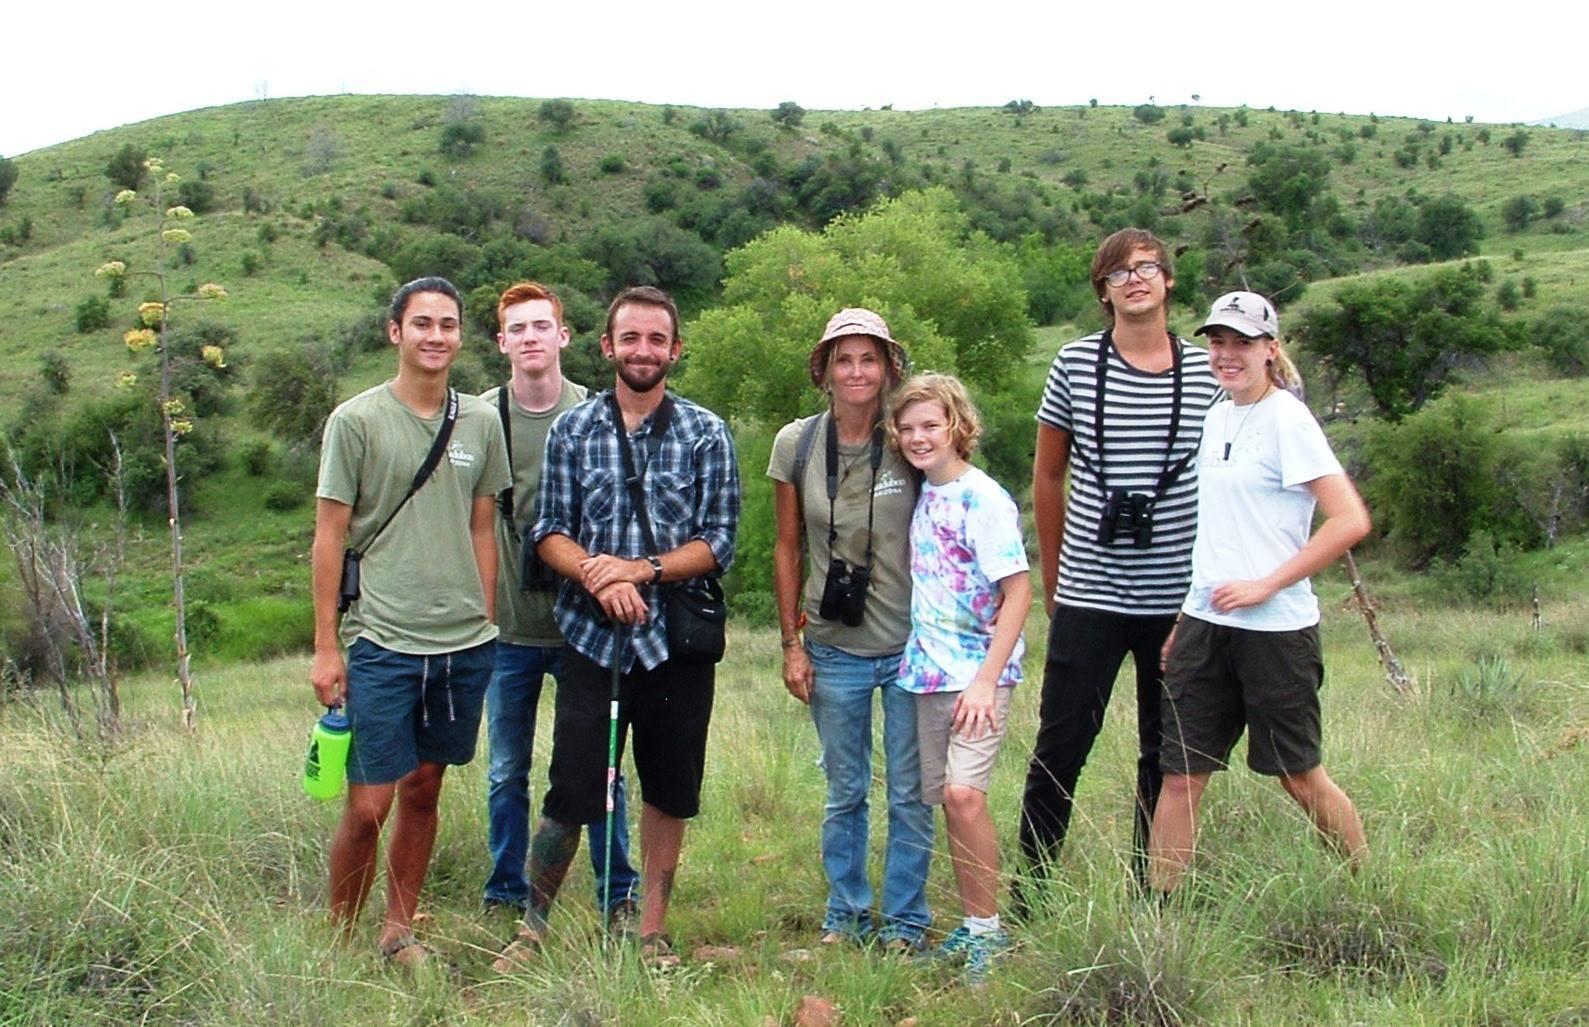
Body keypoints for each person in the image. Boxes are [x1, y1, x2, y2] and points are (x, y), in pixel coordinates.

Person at [495, 286, 740, 970]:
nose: (642, 350)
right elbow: (546, 531)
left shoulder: (705, 431)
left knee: (669, 788)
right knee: (570, 787)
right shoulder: (574, 430)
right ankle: (533, 926)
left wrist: (641, 570)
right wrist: (599, 575)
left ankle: (651, 929)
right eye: (629, 338)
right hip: (590, 641)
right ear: (606, 346)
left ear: (674, 349)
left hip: (677, 645)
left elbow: (719, 540)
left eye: (656, 339)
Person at [1016, 229, 1221, 905]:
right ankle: (1031, 896)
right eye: (1117, 272)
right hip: (1089, 591)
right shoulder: (1074, 364)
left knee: (1164, 758)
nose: (1134, 280)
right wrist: (1053, 575)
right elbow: (1048, 475)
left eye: (1146, 267)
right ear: (1102, 290)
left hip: (1178, 600)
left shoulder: (1204, 371)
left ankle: (1152, 901)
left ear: (1167, 280)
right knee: (1059, 747)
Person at [310, 276, 510, 965]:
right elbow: (329, 536)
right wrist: (325, 645)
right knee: (369, 804)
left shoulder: (481, 422)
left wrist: (484, 615)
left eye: (447, 324)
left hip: (462, 642)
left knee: (425, 788)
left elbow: (484, 527)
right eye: (421, 322)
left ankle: (398, 928)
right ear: (395, 331)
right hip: (381, 639)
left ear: (461, 335)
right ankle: (337, 941)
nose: (435, 335)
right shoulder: (356, 421)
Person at [1147, 291, 1370, 895]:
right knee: (1181, 775)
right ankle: (1157, 915)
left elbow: (1350, 518)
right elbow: (1218, 531)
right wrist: (1184, 619)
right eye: (1217, 342)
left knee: (1298, 775)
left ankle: (1367, 889)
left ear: (1270, 350)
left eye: (1241, 343)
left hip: (1276, 629)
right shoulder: (1215, 414)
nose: (1226, 355)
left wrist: (1268, 584)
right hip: (1205, 623)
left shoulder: (1288, 420)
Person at [767, 308, 933, 951]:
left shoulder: (910, 438)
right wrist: (789, 644)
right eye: (844, 359)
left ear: (890, 366)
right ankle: (847, 912)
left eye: (869, 358)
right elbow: (787, 546)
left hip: (911, 646)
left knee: (911, 792)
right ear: (825, 370)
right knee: (845, 791)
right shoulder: (797, 443)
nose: (857, 371)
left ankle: (907, 920)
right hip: (833, 647)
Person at [478, 281, 639, 921]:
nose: (530, 338)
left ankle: (617, 893)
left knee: (601, 770)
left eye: (541, 326)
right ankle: (505, 892)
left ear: (564, 336)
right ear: (502, 343)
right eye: (517, 329)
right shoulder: (480, 417)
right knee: (505, 771)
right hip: (509, 630)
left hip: (586, 630)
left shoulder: (599, 413)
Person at [890, 374, 1032, 984]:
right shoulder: (924, 495)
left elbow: (1019, 592)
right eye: (909, 427)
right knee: (947, 802)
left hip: (978, 674)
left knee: (965, 796)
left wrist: (985, 681)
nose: (920, 437)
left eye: (932, 425)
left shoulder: (984, 498)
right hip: (926, 672)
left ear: (958, 427)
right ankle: (974, 925)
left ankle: (989, 935)